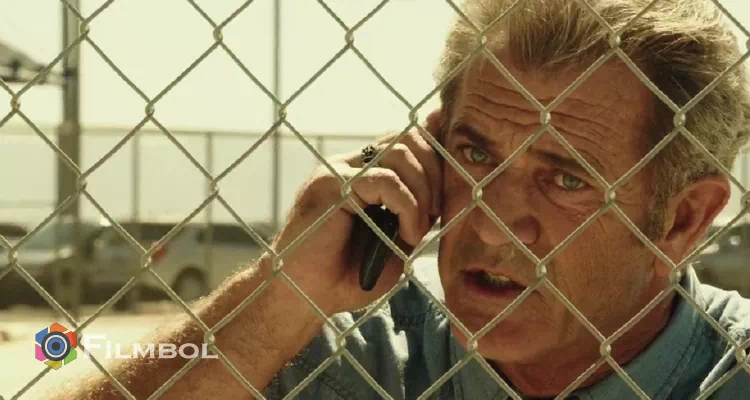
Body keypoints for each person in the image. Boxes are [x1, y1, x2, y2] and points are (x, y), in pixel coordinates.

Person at [54, 0, 750, 398]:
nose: (493, 225)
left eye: (566, 180)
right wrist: (281, 294)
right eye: (475, 154)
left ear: (682, 220)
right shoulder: (365, 353)